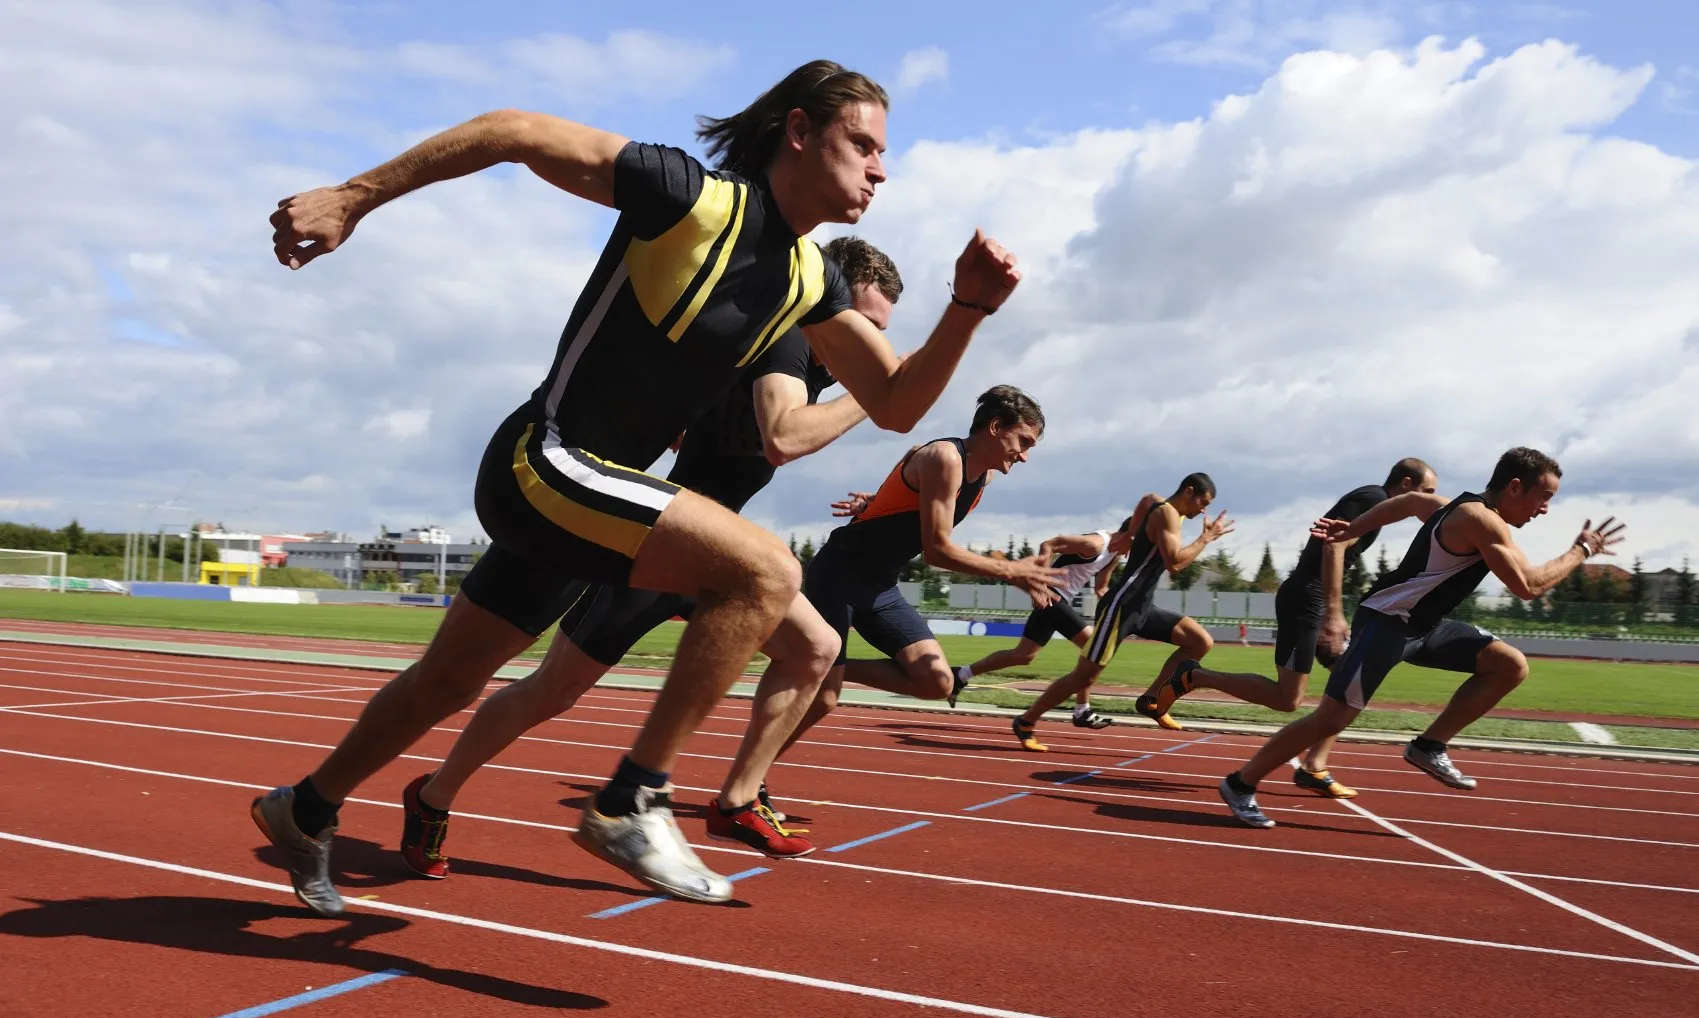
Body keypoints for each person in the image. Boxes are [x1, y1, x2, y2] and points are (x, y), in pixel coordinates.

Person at [252, 59, 1023, 914]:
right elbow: (514, 129)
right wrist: (355, 195)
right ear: (799, 132)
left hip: (598, 494)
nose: (881, 169)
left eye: (883, 154)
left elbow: (894, 401)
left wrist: (966, 309)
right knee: (767, 572)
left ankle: (306, 808)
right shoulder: (689, 197)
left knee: (447, 683)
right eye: (863, 145)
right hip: (542, 459)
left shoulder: (809, 278)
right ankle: (631, 799)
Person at [396, 237, 902, 878]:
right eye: (868, 326)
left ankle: (738, 799)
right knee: (551, 691)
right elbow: (782, 437)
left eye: (884, 334)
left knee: (817, 651)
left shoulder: (801, 356)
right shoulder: (790, 340)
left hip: (722, 554)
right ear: (834, 300)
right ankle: (433, 795)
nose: (875, 346)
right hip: (661, 543)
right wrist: (876, 395)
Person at [1217, 447, 1625, 828]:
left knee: (1508, 665)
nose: (1545, 509)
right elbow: (1528, 586)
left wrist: (1353, 528)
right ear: (1515, 486)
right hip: (1387, 623)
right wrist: (1581, 551)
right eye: (1543, 497)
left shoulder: (1454, 506)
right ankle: (1241, 782)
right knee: (1332, 717)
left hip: (1424, 627)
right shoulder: (1481, 520)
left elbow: (1410, 503)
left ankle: (1428, 746)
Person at [764, 387, 1063, 814]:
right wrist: (1013, 571)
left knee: (936, 682)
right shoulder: (945, 458)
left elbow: (907, 465)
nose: (1025, 455)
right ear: (996, 428)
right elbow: (937, 551)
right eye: (1024, 442)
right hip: (840, 573)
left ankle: (828, 669)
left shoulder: (981, 474)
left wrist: (877, 500)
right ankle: (752, 776)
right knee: (824, 700)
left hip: (880, 585)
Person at [1145, 458, 1437, 798]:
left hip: (1308, 595)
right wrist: (1334, 612)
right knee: (1289, 699)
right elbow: (1333, 546)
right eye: (1427, 492)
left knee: (1349, 682)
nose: (1431, 500)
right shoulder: (1373, 499)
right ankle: (1193, 676)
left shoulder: (1376, 506)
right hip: (1307, 599)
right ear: (1405, 485)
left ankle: (1314, 766)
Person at [1009, 474, 1233, 751]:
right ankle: (1026, 721)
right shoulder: (1168, 515)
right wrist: (1205, 538)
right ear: (1188, 491)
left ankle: (1151, 700)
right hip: (1121, 607)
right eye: (1203, 502)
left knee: (1199, 642)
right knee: (1083, 677)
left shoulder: (1164, 506)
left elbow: (1146, 498)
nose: (1203, 510)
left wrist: (1130, 534)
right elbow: (1174, 564)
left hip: (1143, 607)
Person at [948, 520, 1134, 727]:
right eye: (1135, 546)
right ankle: (1082, 710)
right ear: (1128, 535)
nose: (1131, 554)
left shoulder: (1115, 554)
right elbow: (1049, 544)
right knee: (1093, 647)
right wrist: (1040, 586)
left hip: (1057, 601)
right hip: (1052, 597)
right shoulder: (1095, 544)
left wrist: (1118, 610)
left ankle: (961, 674)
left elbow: (1102, 587)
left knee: (1023, 655)